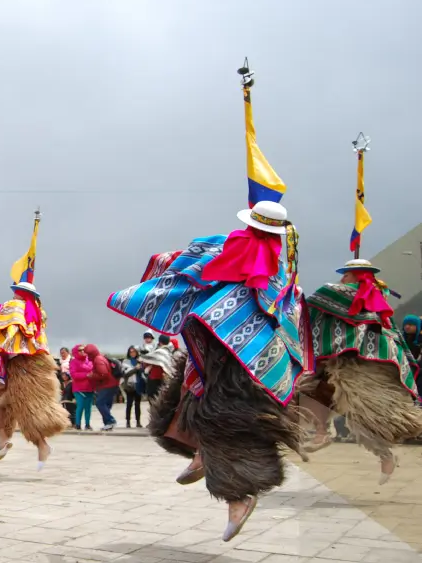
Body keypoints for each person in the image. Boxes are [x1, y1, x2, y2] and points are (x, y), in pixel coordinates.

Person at [109, 199, 308, 542]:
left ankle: (238, 492)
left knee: (225, 416)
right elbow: (184, 261)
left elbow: (178, 261)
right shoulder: (239, 255)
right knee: (185, 401)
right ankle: (201, 453)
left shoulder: (270, 274)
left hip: (242, 363)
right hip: (211, 352)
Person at [296, 259, 422, 483]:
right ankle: (323, 432)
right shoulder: (367, 297)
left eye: (347, 274)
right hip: (338, 360)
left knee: (366, 412)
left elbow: (317, 297)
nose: (343, 278)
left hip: (362, 362)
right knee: (310, 390)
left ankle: (385, 454)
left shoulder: (356, 293)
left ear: (358, 275)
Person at [0, 280, 66, 471]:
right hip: (15, 364)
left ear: (20, 293)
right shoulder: (37, 312)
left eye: (16, 292)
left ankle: (42, 445)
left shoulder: (14, 307)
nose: (13, 295)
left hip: (23, 363)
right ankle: (4, 442)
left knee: (25, 406)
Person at [84, 345, 119, 431]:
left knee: (100, 403)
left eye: (88, 354)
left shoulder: (98, 359)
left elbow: (104, 374)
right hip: (113, 384)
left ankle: (110, 421)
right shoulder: (101, 357)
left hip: (107, 385)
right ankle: (107, 424)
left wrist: (92, 376)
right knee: (106, 405)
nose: (87, 356)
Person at [68, 345, 95, 430]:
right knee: (80, 406)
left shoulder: (90, 360)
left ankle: (87, 424)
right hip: (79, 388)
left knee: (88, 407)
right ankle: (78, 424)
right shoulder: (73, 362)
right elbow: (74, 374)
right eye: (80, 350)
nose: (82, 351)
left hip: (90, 387)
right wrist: (86, 375)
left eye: (84, 350)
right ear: (76, 352)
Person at [141, 335, 173, 399]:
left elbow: (146, 361)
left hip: (155, 379)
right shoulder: (170, 352)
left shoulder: (158, 352)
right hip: (166, 379)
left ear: (160, 342)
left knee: (153, 398)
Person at [121, 346, 146, 428]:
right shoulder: (126, 361)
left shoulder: (140, 361)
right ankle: (128, 422)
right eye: (131, 352)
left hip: (138, 384)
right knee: (129, 404)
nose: (132, 353)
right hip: (130, 385)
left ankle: (138, 422)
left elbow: (144, 372)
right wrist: (135, 369)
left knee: (138, 404)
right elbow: (126, 374)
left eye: (134, 351)